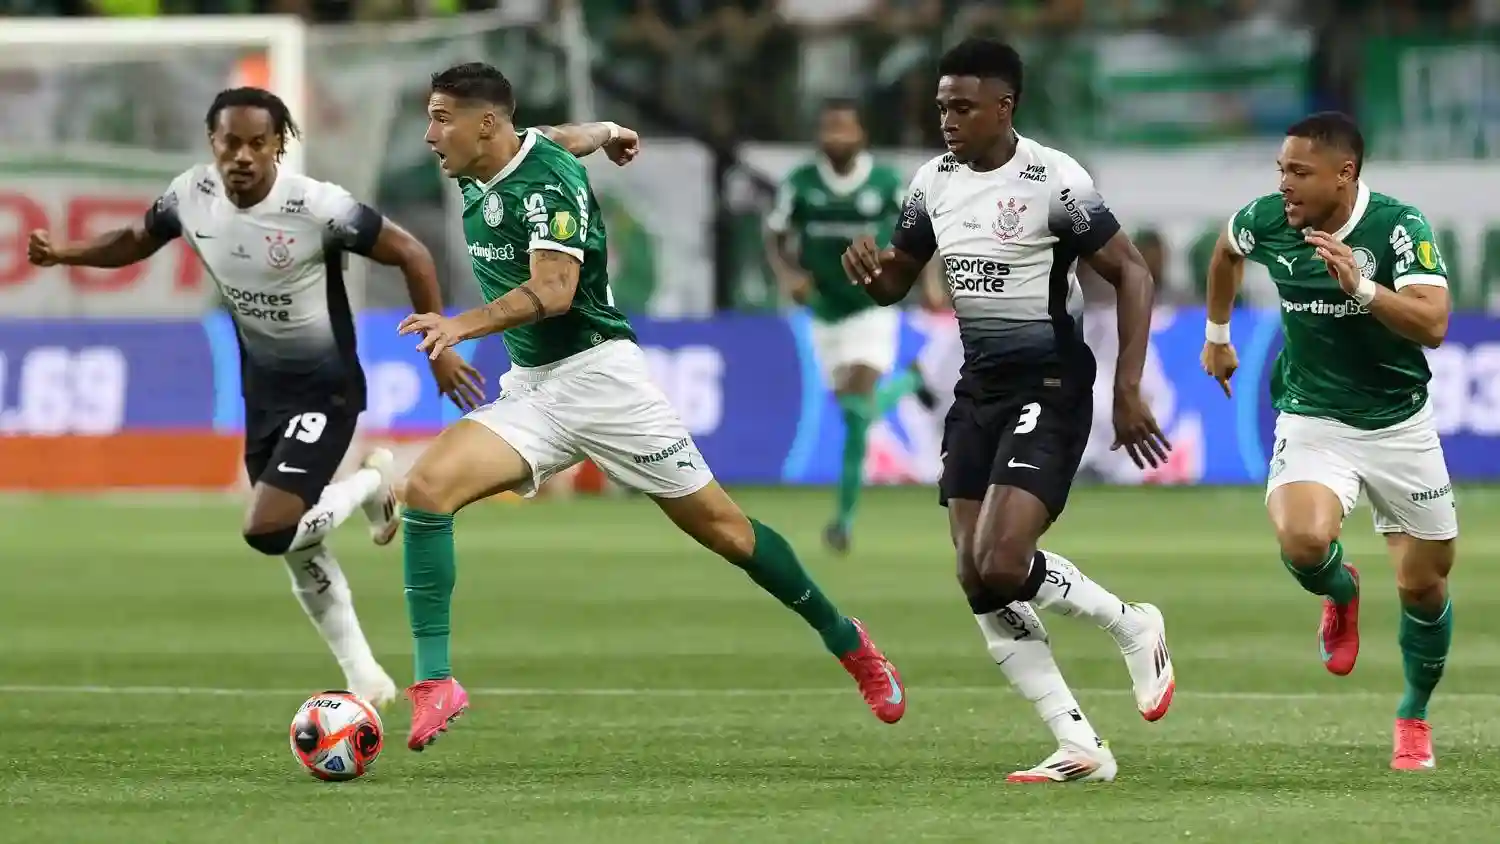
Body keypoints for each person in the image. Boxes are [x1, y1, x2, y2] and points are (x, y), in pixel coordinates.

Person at [394, 62, 907, 753]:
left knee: (727, 532)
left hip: (604, 383)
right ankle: (434, 684)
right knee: (426, 490)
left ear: (485, 124)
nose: (429, 134)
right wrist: (606, 131)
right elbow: (552, 134)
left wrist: (461, 324)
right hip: (535, 390)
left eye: (439, 117)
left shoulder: (548, 187)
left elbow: (553, 291)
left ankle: (851, 643)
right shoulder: (492, 154)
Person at [25, 87, 488, 707]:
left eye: (257, 143)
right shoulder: (192, 195)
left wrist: (440, 346)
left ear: (278, 145)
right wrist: (65, 253)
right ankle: (364, 676)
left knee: (271, 528)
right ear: (213, 143)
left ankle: (373, 483)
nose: (242, 155)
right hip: (262, 393)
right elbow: (136, 240)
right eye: (229, 142)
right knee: (299, 547)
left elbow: (410, 251)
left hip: (326, 390)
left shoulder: (316, 206)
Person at [841, 38, 1176, 783]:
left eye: (962, 106)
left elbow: (1131, 271)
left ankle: (1131, 623)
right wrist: (874, 276)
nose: (948, 120)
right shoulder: (932, 183)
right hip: (978, 388)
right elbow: (899, 277)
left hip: (1050, 386)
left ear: (1005, 106)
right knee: (974, 575)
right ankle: (1078, 743)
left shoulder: (1054, 179)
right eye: (941, 107)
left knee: (1001, 560)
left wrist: (1128, 388)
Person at [1202, 112, 1456, 771]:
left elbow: (1432, 324)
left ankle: (1413, 715)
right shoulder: (1267, 220)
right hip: (1314, 417)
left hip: (1400, 426)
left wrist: (1363, 289)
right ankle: (1340, 592)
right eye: (1281, 170)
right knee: (1303, 540)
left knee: (1424, 588)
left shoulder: (1399, 227)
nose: (1283, 185)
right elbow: (1226, 252)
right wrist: (1218, 335)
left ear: (1345, 175)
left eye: (1298, 172)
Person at [764, 98, 934, 554]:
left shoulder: (884, 183)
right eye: (828, 129)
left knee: (857, 411)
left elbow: (920, 229)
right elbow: (775, 234)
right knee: (855, 412)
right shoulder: (800, 184)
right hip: (825, 312)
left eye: (844, 129)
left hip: (872, 307)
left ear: (861, 134)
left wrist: (927, 279)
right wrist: (789, 276)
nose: (836, 137)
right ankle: (912, 382)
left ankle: (842, 521)